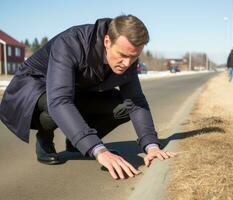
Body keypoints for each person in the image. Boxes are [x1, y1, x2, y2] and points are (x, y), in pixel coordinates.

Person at [0, 15, 176, 180]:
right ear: (107, 41)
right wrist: (98, 149)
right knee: (54, 106)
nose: (127, 64)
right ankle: (45, 138)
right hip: (35, 88)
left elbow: (136, 102)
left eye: (133, 57)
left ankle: (77, 143)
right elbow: (60, 100)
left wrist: (151, 146)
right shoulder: (70, 43)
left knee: (124, 106)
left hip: (75, 90)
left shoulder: (127, 57)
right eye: (122, 56)